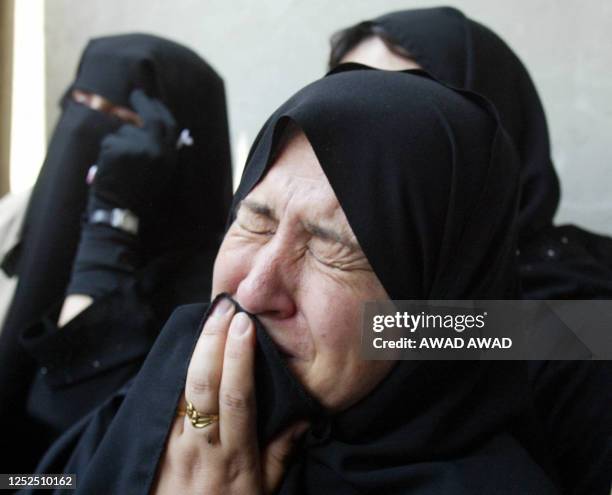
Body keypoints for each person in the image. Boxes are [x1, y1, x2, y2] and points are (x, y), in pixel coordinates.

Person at [25, 67, 583, 494]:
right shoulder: (168, 394)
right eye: (254, 220)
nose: (252, 291)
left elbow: (572, 334)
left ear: (435, 297)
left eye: (333, 250)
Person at [328, 8, 612, 493]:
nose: (369, 141)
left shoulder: (577, 315)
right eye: (347, 106)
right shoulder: (353, 277)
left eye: (407, 103)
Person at [0, 33, 233, 472]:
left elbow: (69, 430)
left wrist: (111, 225)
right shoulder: (10, 222)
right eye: (82, 104)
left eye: (120, 120)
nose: (86, 129)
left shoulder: (205, 300)